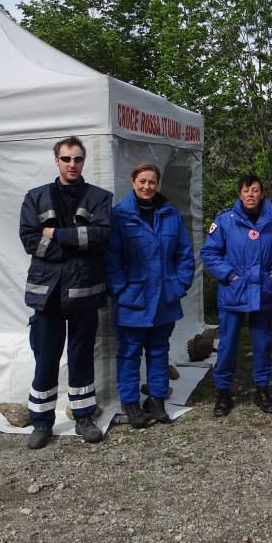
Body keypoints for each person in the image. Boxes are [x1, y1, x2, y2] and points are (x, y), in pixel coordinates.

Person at [19, 137, 113, 449]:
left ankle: (84, 417)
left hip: (84, 290)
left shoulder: (100, 198)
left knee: (81, 356)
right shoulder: (35, 197)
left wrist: (57, 234)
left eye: (78, 159)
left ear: (84, 161)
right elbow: (29, 239)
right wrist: (73, 245)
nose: (72, 164)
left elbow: (99, 237)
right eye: (66, 159)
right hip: (47, 292)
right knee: (45, 358)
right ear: (56, 161)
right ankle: (41, 422)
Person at [106, 163, 195, 429]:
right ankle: (131, 403)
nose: (147, 186)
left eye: (152, 182)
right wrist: (121, 290)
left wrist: (179, 284)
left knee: (158, 351)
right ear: (133, 182)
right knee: (130, 353)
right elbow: (111, 259)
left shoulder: (170, 214)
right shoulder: (119, 216)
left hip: (164, 298)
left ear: (158, 184)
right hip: (132, 299)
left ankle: (157, 399)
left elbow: (185, 254)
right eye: (142, 181)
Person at [201, 174, 272, 416]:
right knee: (227, 345)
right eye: (246, 190)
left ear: (262, 194)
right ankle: (223, 393)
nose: (251, 194)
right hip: (234, 293)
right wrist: (230, 276)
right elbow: (209, 253)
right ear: (239, 194)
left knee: (263, 344)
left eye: (256, 190)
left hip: (262, 293)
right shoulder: (225, 221)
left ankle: (262, 390)